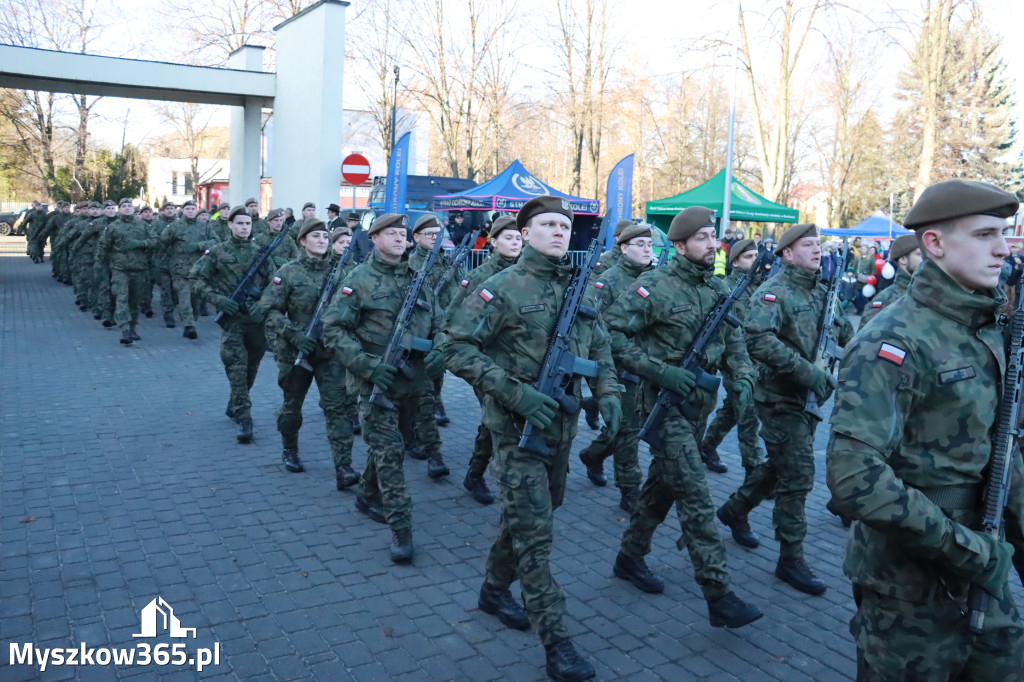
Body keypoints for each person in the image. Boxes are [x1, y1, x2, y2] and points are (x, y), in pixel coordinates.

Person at [827, 179, 1024, 680]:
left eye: (1002, 233)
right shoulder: (893, 339)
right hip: (909, 591)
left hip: (986, 569)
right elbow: (854, 477)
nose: (1003, 247)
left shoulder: (985, 328)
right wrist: (967, 550)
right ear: (933, 244)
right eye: (984, 235)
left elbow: (1003, 451)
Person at [441, 195, 622, 682]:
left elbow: (600, 346)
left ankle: (493, 588)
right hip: (517, 432)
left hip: (562, 428)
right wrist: (512, 393)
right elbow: (453, 346)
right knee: (536, 537)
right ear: (525, 232)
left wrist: (607, 391)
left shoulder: (579, 287)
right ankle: (557, 642)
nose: (560, 232)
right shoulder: (501, 287)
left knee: (534, 515)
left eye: (565, 226)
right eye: (548, 224)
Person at [600, 206, 763, 632]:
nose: (714, 244)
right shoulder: (653, 286)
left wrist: (743, 377)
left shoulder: (717, 289)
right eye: (704, 237)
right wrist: (657, 369)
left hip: (698, 410)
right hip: (662, 405)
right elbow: (609, 334)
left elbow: (734, 342)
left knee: (661, 488)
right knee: (694, 491)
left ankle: (629, 557)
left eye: (714, 236)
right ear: (679, 245)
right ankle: (719, 593)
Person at [716, 223, 854, 596]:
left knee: (780, 466)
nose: (817, 251)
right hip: (779, 398)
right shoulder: (773, 292)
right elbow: (757, 339)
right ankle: (790, 557)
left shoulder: (826, 292)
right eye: (808, 245)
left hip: (809, 400)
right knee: (798, 476)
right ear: (787, 254)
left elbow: (843, 337)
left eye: (818, 245)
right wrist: (806, 372)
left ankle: (735, 509)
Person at [321, 213, 446, 565]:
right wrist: (366, 365)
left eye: (401, 234)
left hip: (414, 381)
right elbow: (333, 330)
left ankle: (366, 495)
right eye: (390, 233)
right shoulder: (357, 280)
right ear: (373, 239)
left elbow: (440, 321)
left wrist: (439, 349)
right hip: (375, 381)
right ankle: (401, 527)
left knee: (397, 444)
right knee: (390, 453)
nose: (398, 238)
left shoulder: (416, 278)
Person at [256, 218, 360, 489]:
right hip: (295, 351)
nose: (322, 241)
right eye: (315, 237)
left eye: (325, 237)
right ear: (302, 241)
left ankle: (343, 466)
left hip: (330, 350)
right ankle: (289, 448)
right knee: (292, 406)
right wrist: (294, 335)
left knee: (338, 408)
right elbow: (269, 309)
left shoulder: (342, 271)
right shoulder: (288, 272)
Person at [444, 215, 522, 505]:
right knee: (499, 421)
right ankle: (493, 485)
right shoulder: (479, 277)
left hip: (519, 363)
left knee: (496, 422)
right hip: (486, 363)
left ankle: (474, 473)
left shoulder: (528, 275)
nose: (515, 243)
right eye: (509, 238)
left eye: (518, 238)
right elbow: (452, 318)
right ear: (494, 241)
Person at [577, 222, 654, 513]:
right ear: (624, 248)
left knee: (629, 427)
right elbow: (594, 327)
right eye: (641, 245)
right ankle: (629, 489)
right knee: (627, 431)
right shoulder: (607, 281)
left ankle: (593, 454)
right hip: (620, 367)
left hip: (652, 367)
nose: (648, 250)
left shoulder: (657, 278)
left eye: (650, 245)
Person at [190, 206, 271, 444]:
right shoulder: (217, 252)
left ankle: (233, 404)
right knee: (237, 368)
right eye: (240, 223)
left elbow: (276, 286)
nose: (244, 227)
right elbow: (195, 279)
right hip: (233, 321)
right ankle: (245, 418)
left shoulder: (261, 252)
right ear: (230, 225)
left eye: (248, 224)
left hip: (256, 321)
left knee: (252, 368)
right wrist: (218, 300)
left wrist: (263, 303)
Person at [699, 238, 768, 486]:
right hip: (733, 362)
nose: (755, 261)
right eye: (749, 257)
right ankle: (755, 472)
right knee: (748, 415)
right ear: (735, 261)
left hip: (756, 362)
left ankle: (707, 447)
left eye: (756, 256)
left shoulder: (761, 286)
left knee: (731, 411)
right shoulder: (727, 288)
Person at [402, 214, 453, 476]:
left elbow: (457, 296)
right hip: (414, 340)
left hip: (440, 335)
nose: (435, 238)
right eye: (430, 234)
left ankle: (420, 439)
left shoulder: (448, 263)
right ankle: (420, 442)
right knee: (418, 397)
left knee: (431, 391)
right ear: (417, 237)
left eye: (438, 233)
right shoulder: (411, 266)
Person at [98, 198, 158, 345]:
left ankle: (132, 328)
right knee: (122, 299)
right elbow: (103, 247)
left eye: (129, 206)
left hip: (139, 269)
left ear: (133, 208)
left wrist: (140, 243)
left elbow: (156, 241)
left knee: (135, 301)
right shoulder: (113, 227)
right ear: (119, 209)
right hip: (120, 270)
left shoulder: (143, 225)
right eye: (123, 206)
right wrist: (100, 267)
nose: (127, 208)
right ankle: (125, 329)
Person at [161, 200, 220, 340]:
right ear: (183, 211)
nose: (190, 211)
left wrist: (199, 245)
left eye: (193, 209)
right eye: (187, 209)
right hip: (180, 270)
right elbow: (163, 241)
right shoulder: (175, 226)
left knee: (196, 302)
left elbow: (216, 241)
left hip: (199, 270)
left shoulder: (204, 226)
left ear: (196, 211)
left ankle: (191, 322)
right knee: (184, 297)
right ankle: (189, 325)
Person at [859, 234, 921, 327]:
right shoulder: (885, 299)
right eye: (919, 254)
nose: (925, 259)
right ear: (903, 259)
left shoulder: (926, 293)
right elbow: (864, 338)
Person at [151, 202, 180, 328]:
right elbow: (152, 239)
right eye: (167, 209)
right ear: (163, 211)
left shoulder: (180, 223)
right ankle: (168, 314)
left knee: (176, 291)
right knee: (166, 289)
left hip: (178, 263)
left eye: (172, 208)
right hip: (161, 262)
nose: (169, 211)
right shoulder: (156, 224)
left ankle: (172, 306)